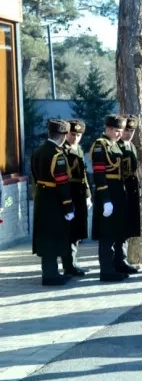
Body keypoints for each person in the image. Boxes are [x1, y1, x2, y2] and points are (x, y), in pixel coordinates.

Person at [31, 119, 75, 286]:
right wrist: (68, 206)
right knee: (54, 236)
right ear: (63, 136)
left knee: (45, 235)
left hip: (41, 197)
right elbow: (62, 183)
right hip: (54, 200)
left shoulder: (38, 152)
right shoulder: (58, 155)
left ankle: (49, 272)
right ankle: (51, 275)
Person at [90, 115, 129, 282]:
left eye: (120, 130)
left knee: (117, 231)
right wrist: (105, 199)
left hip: (118, 191)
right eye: (116, 130)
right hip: (107, 192)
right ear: (107, 129)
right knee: (107, 233)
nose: (119, 133)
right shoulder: (101, 145)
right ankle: (106, 270)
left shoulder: (116, 145)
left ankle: (117, 264)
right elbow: (99, 174)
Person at [61, 119, 91, 276]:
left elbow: (83, 174)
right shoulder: (62, 150)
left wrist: (88, 194)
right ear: (66, 133)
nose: (75, 138)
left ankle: (73, 262)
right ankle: (69, 265)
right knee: (69, 231)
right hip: (69, 192)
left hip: (79, 192)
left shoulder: (79, 149)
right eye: (72, 134)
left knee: (78, 229)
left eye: (78, 135)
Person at [116, 115, 141, 274]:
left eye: (132, 131)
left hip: (130, 189)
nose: (129, 133)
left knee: (127, 227)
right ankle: (118, 260)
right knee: (119, 227)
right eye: (126, 130)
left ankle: (123, 259)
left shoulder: (131, 146)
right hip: (120, 189)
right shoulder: (116, 145)